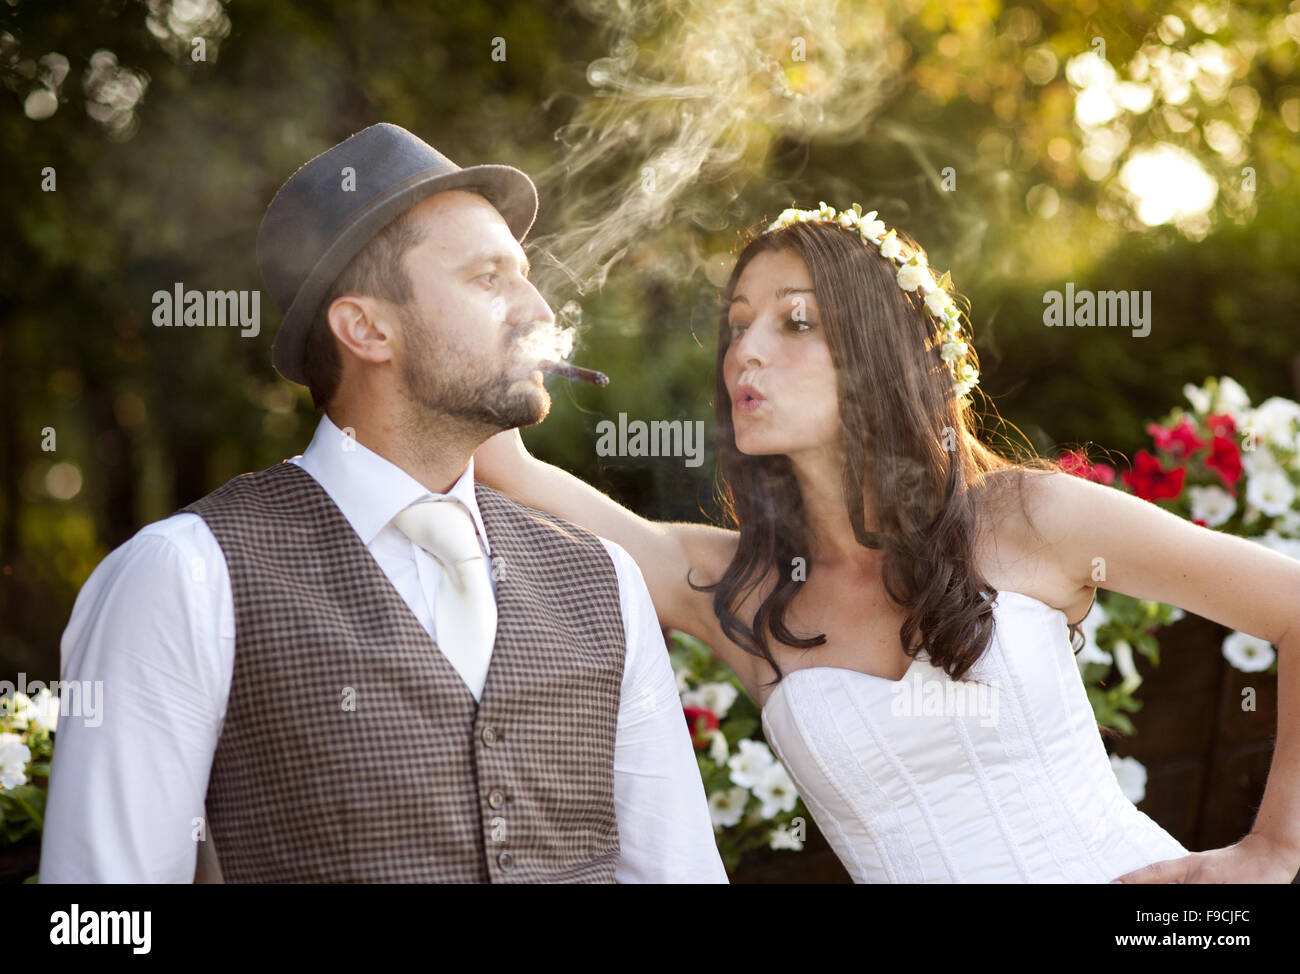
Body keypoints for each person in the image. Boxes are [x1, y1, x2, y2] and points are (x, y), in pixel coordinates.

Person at [475, 202, 1300, 883]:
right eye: (736, 325)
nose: (745, 352)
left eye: (795, 321)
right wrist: (487, 307)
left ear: (880, 351)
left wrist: (1276, 850)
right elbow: (503, 466)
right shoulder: (739, 591)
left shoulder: (1031, 518)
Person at [39, 123, 727, 884]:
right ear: (366, 328)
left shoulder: (605, 581)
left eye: (525, 274)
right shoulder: (182, 577)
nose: (539, 310)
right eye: (489, 278)